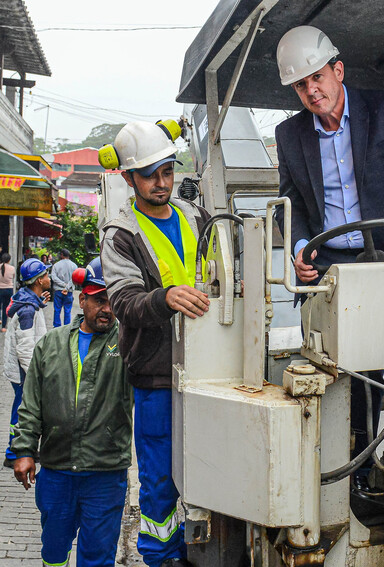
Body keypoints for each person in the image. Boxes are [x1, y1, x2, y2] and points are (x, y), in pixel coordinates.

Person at [272, 25, 384, 514]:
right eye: (301, 86)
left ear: (338, 70)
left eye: (317, 78)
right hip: (332, 269)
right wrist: (302, 245)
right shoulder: (289, 135)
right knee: (340, 374)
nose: (312, 91)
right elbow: (292, 201)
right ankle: (351, 465)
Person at [100, 119, 210, 567]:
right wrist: (165, 298)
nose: (162, 183)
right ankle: (160, 553)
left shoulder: (194, 215)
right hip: (156, 374)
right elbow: (124, 301)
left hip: (205, 365)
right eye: (150, 175)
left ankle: (195, 542)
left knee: (204, 463)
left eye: (167, 171)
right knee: (160, 474)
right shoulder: (121, 233)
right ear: (130, 179)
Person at [12, 257, 132, 567]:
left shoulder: (128, 344)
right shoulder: (50, 344)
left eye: (113, 300)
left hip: (104, 473)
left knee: (97, 556)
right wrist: (24, 450)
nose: (107, 308)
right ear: (83, 299)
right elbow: (31, 404)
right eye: (99, 300)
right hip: (56, 470)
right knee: (53, 551)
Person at [2, 258, 50, 469]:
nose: (49, 278)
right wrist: (34, 375)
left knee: (21, 409)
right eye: (46, 275)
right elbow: (25, 347)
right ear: (39, 280)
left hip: (22, 370)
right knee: (21, 411)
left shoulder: (29, 301)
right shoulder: (27, 310)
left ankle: (20, 448)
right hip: (24, 372)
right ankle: (13, 452)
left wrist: (41, 302)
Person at [51, 248, 78, 327]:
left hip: (58, 290)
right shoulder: (74, 266)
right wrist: (67, 287)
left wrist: (63, 285)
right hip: (69, 291)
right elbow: (75, 278)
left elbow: (53, 277)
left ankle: (56, 326)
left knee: (57, 309)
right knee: (67, 310)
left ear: (62, 255)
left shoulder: (56, 265)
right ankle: (67, 327)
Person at [0, 252, 15, 332]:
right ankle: (3, 327)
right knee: (5, 307)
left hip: (0, 289)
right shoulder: (12, 268)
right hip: (9, 289)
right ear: (9, 260)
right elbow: (13, 277)